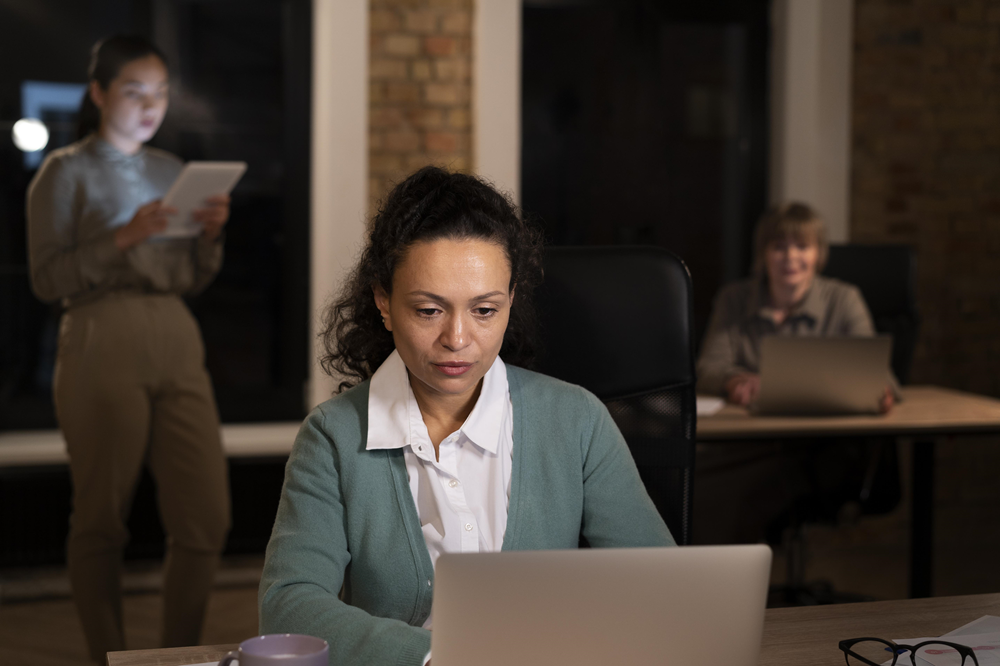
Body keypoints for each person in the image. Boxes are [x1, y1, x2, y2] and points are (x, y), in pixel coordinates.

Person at [258, 166, 674, 665]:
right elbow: (288, 606)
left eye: (484, 310)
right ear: (384, 303)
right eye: (429, 310)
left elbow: (659, 590)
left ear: (511, 300)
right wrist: (444, 657)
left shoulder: (577, 420)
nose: (457, 339)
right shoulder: (333, 436)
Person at [26, 35, 231, 662]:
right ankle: (107, 656)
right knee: (100, 517)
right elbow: (46, 280)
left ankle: (175, 656)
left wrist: (209, 238)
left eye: (161, 93)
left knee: (207, 518)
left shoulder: (172, 171)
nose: (151, 106)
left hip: (175, 333)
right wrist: (122, 238)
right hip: (99, 337)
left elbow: (193, 279)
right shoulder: (64, 171)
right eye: (134, 92)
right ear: (98, 94)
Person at [693, 202, 892, 544]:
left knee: (732, 493)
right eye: (779, 246)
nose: (791, 257)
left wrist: (876, 390)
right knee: (691, 480)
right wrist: (734, 379)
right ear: (764, 253)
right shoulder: (735, 299)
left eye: (802, 246)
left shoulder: (844, 299)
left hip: (824, 446)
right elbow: (708, 367)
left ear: (818, 254)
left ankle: (735, 589)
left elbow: (879, 372)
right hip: (751, 441)